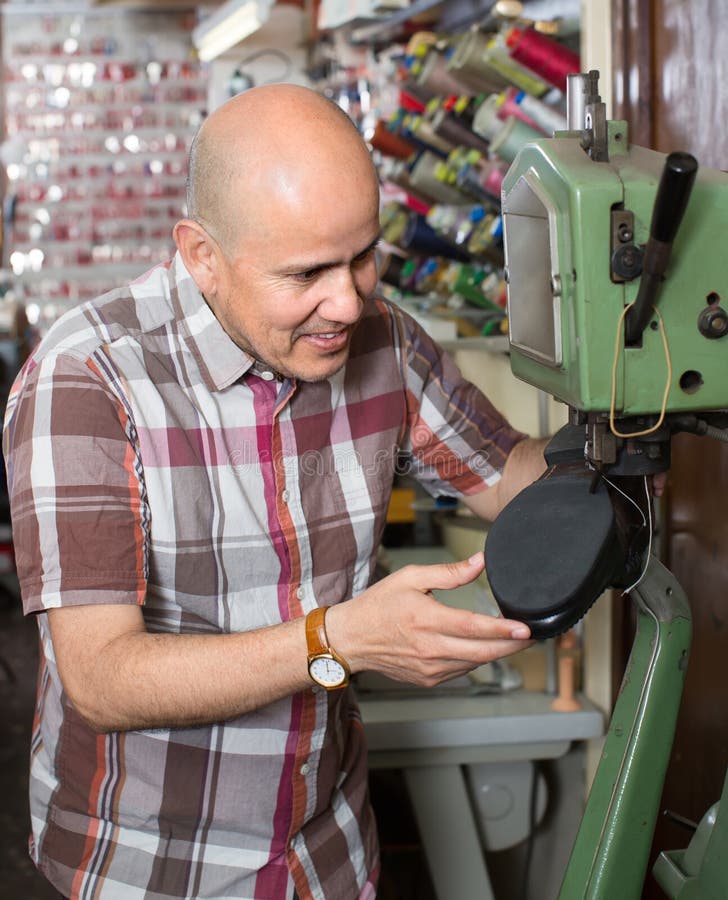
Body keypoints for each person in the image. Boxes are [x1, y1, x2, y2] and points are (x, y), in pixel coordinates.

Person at [3, 83, 547, 900]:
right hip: (147, 871)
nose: (349, 300)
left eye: (364, 255)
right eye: (306, 273)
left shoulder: (382, 341)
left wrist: (623, 415)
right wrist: (340, 640)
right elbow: (103, 678)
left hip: (328, 854)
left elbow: (512, 484)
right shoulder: (89, 378)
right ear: (202, 256)